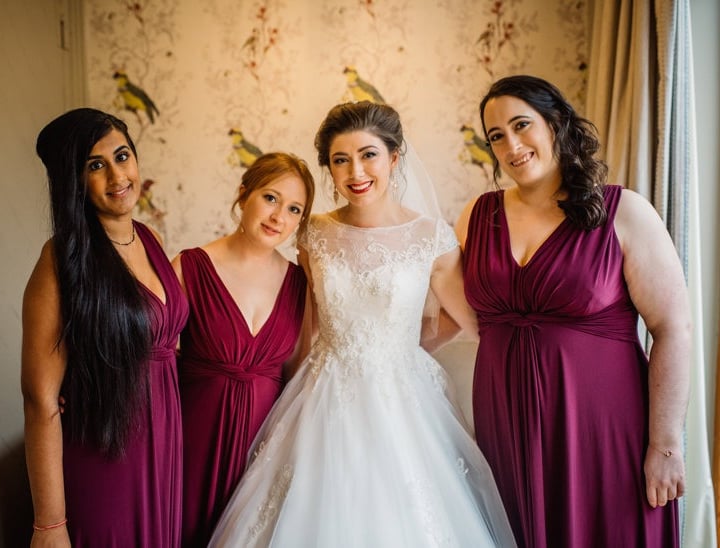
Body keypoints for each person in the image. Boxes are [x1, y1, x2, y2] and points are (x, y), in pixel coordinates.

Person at [208, 101, 516, 547]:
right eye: (340, 160)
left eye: (368, 154)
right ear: (329, 169)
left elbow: (466, 319)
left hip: (405, 397)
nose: (356, 171)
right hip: (322, 393)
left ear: (393, 157)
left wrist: (399, 350)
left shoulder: (432, 237)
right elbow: (308, 324)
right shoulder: (313, 233)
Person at [455, 75, 690, 547]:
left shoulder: (624, 211)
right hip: (506, 428)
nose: (511, 145)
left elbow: (672, 329)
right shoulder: (475, 217)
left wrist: (665, 443)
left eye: (522, 125)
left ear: (557, 122)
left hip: (604, 429)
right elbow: (450, 313)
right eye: (496, 135)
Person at [21, 108, 188, 547]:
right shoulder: (61, 260)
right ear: (74, 180)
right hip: (107, 454)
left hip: (164, 446)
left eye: (122, 156)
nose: (117, 175)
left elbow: (160, 342)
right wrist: (49, 525)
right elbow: (40, 400)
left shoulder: (149, 238)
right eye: (96, 165)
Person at [174, 152, 315, 547]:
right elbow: (148, 355)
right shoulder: (189, 267)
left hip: (262, 449)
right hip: (191, 440)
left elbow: (297, 372)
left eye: (294, 209)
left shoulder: (299, 284)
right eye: (270, 198)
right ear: (244, 193)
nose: (279, 217)